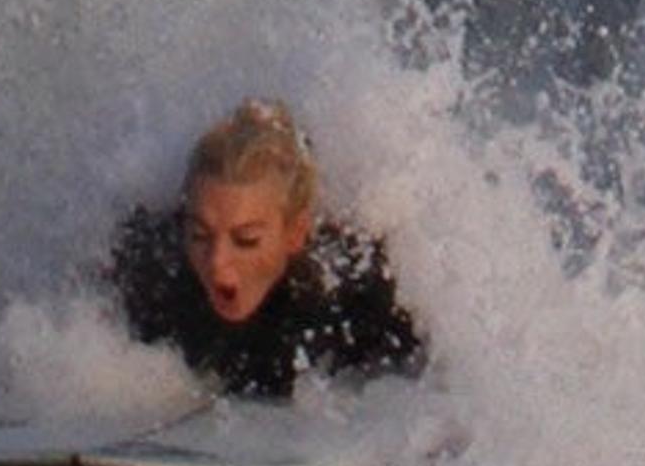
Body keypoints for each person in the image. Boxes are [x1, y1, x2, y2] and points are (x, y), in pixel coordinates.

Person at [110, 99, 424, 398]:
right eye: (199, 235)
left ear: (295, 233)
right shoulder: (150, 271)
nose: (217, 261)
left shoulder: (353, 295)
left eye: (246, 240)